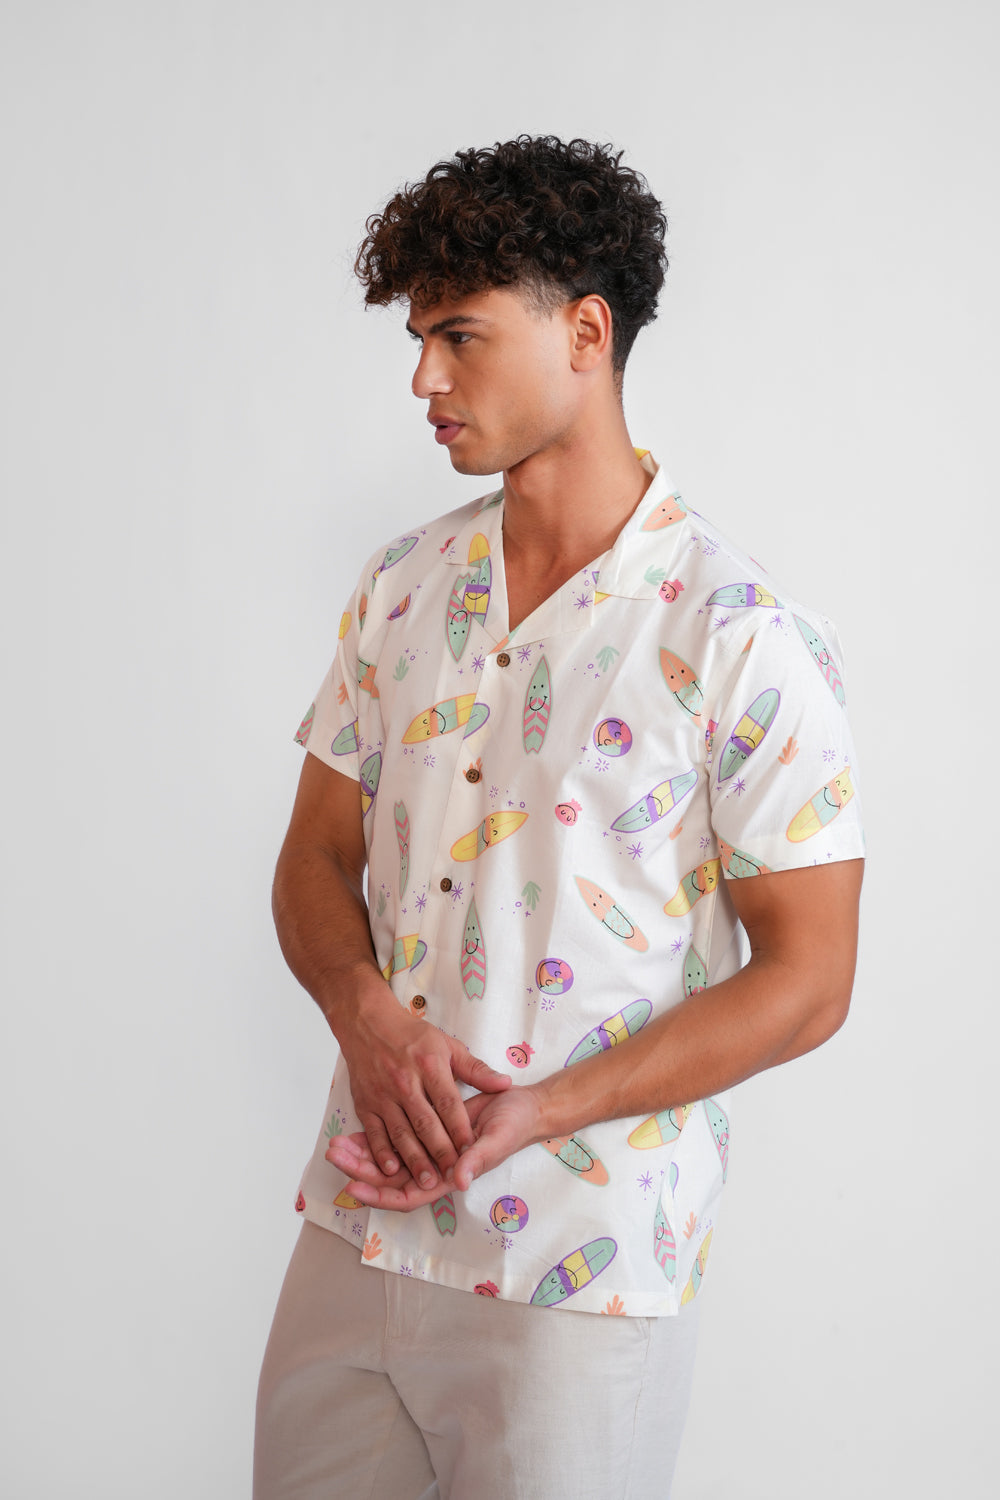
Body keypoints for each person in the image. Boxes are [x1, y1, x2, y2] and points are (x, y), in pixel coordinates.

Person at [254, 135, 865, 1499]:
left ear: (586, 333)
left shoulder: (739, 635)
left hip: (578, 1278)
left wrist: (538, 1112)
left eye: (459, 336)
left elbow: (813, 979)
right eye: (417, 339)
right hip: (356, 1232)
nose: (423, 379)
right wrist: (363, 1015)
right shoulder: (401, 588)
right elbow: (314, 857)